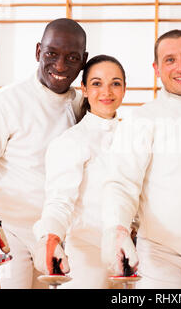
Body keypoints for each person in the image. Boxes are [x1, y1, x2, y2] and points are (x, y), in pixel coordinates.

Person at [0, 18, 88, 289]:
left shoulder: (83, 106)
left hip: (59, 235)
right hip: (10, 234)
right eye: (51, 54)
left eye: (71, 58)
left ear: (83, 60)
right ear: (38, 52)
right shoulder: (2, 105)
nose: (60, 66)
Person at [101, 29, 181, 288]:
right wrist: (118, 229)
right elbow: (121, 183)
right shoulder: (141, 120)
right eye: (170, 60)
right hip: (161, 256)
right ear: (157, 68)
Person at [32, 55, 126, 288]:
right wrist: (51, 235)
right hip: (87, 256)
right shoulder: (71, 142)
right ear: (83, 88)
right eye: (96, 83)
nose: (107, 91)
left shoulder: (132, 136)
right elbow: (59, 201)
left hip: (128, 251)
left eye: (115, 83)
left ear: (125, 88)